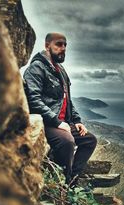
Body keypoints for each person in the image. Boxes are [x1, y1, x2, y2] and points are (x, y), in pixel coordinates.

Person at [23, 32, 97, 185]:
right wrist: (57, 122)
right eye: (58, 44)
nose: (63, 48)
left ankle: (72, 180)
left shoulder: (61, 70)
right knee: (67, 141)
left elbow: (66, 99)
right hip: (45, 123)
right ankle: (64, 181)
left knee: (89, 140)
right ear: (47, 45)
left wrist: (77, 120)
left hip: (61, 122)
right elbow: (33, 100)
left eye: (65, 45)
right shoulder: (36, 68)